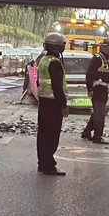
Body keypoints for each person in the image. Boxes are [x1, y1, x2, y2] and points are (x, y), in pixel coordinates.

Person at [36, 31, 68, 176]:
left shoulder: (43, 60)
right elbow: (57, 86)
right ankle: (49, 166)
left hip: (43, 102)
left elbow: (39, 81)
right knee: (52, 135)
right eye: (62, 45)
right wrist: (63, 105)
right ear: (57, 47)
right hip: (53, 104)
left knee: (43, 134)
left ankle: (42, 163)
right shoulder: (55, 63)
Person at [80, 41, 109, 144]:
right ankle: (97, 137)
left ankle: (86, 132)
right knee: (100, 115)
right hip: (97, 90)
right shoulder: (97, 59)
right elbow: (89, 74)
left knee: (98, 113)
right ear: (103, 48)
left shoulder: (107, 59)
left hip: (104, 90)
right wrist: (90, 89)